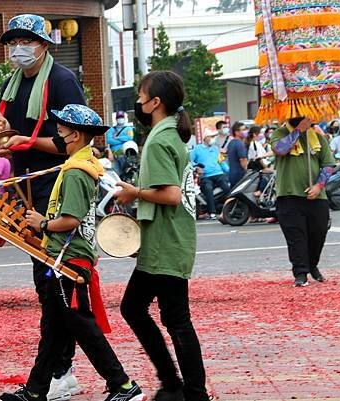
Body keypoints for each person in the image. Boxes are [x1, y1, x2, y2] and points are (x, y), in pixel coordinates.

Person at [0, 104, 146, 401]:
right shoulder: (79, 165)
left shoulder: (77, 172)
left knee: (83, 329)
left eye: (62, 130)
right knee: (53, 331)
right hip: (63, 257)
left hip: (68, 260)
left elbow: (71, 219)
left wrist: (42, 224)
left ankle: (123, 386)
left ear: (76, 135)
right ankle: (35, 391)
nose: (58, 135)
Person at [0, 14, 87, 399]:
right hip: (27, 192)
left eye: (26, 40)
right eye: (13, 41)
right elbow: (3, 139)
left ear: (45, 44)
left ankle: (61, 372)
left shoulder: (62, 81)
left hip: (60, 191)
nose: (18, 47)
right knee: (46, 285)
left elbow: (77, 142)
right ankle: (57, 371)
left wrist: (26, 143)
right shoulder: (12, 85)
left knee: (59, 285)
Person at [115, 71, 211, 401]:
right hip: (165, 241)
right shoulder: (168, 135)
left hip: (166, 245)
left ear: (155, 102)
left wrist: (133, 193)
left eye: (141, 97)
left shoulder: (159, 141)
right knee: (139, 309)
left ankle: (187, 390)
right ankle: (173, 384)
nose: (137, 103)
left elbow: (169, 195)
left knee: (174, 319)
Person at [271, 117, 335, 287]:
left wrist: (319, 185)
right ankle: (300, 272)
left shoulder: (317, 137)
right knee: (296, 237)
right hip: (289, 195)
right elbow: (280, 149)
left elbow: (328, 164)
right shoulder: (280, 133)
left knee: (319, 233)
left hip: (316, 196)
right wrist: (298, 130)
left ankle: (312, 264)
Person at [190, 129, 230, 219]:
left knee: (227, 188)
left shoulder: (216, 149)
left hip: (219, 173)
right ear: (205, 138)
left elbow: (222, 162)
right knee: (208, 188)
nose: (213, 139)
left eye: (214, 137)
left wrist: (229, 171)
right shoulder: (197, 149)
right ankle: (212, 212)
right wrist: (197, 167)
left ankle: (227, 209)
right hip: (205, 176)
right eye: (211, 137)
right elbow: (190, 161)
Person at [226, 122, 249, 187]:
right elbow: (243, 160)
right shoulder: (240, 144)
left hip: (232, 174)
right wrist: (247, 171)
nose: (246, 131)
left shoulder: (231, 143)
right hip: (239, 175)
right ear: (236, 132)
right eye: (243, 130)